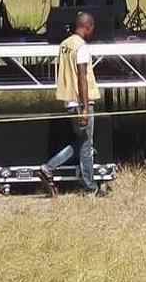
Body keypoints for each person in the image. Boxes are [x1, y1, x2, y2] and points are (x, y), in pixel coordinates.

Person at [40, 11, 105, 198]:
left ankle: (48, 168)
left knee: (81, 143)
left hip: (68, 100)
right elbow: (82, 78)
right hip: (80, 101)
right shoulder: (81, 47)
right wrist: (85, 108)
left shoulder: (64, 45)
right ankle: (89, 187)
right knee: (86, 145)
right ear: (88, 27)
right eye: (92, 28)